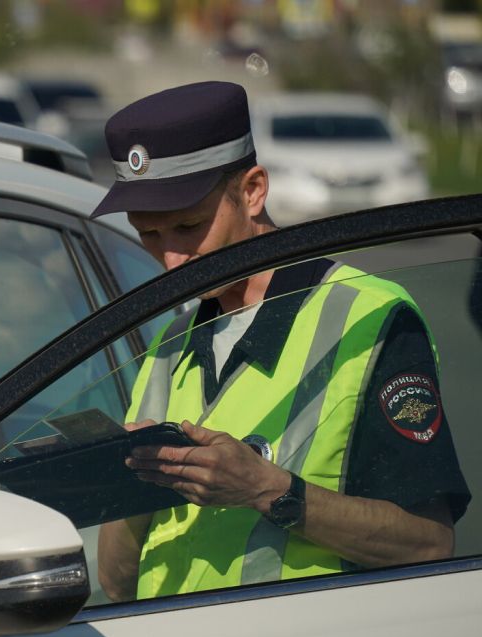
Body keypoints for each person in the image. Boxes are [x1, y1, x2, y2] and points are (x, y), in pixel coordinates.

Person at [93, 81, 471, 602]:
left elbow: (429, 543)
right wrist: (129, 486)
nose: (171, 260)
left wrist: (267, 489)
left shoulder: (368, 319)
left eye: (188, 226)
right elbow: (116, 583)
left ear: (252, 191)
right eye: (150, 235)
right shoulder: (170, 343)